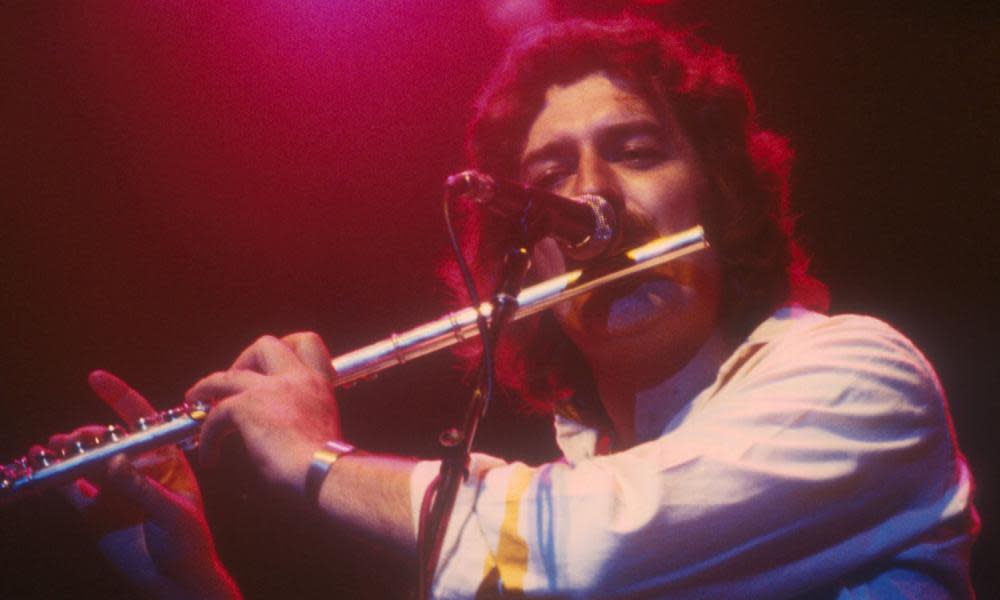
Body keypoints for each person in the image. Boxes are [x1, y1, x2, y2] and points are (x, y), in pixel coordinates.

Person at [49, 16, 978, 599]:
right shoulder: (555, 481)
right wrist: (189, 584)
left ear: (719, 198)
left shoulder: (855, 376)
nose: (593, 204)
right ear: (521, 255)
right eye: (549, 178)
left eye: (638, 149)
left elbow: (587, 553)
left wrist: (313, 459)